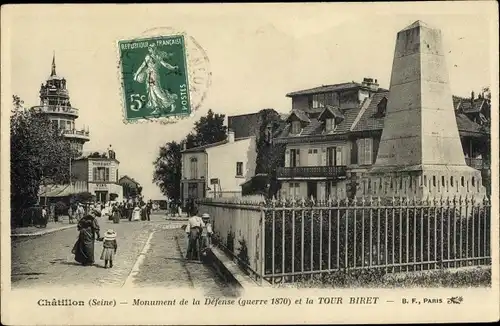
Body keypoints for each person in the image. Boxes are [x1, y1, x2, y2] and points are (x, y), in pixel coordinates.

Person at [133, 43, 179, 114]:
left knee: (157, 90)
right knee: (151, 92)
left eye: (154, 48)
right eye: (151, 48)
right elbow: (142, 66)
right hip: (149, 75)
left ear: (155, 49)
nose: (153, 49)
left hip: (154, 75)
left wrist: (173, 67)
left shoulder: (158, 56)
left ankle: (171, 103)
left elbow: (165, 64)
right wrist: (136, 74)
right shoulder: (148, 57)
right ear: (149, 49)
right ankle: (157, 108)